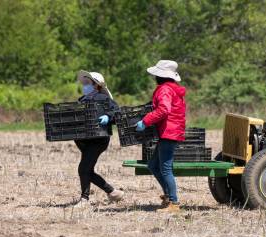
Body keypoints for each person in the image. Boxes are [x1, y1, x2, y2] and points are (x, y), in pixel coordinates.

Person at [136, 60, 186, 212]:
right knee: (153, 165)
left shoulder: (164, 89)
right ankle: (169, 195)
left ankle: (174, 203)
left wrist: (145, 121)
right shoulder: (172, 89)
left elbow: (164, 110)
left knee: (165, 169)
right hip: (170, 131)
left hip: (168, 132)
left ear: (160, 76)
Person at [74, 70, 124, 208]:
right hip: (84, 140)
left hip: (98, 140)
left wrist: (108, 116)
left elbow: (117, 111)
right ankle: (113, 193)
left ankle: (84, 199)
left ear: (97, 86)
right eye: (84, 83)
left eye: (88, 83)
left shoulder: (104, 99)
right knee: (86, 169)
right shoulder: (81, 101)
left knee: (83, 169)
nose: (85, 86)